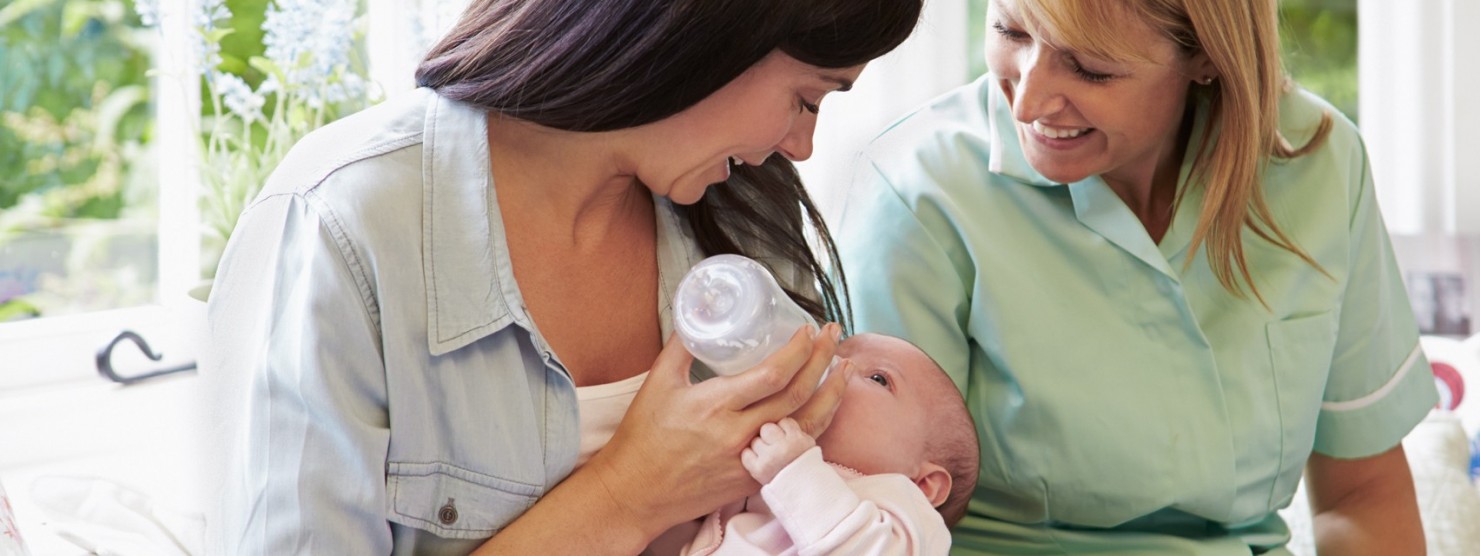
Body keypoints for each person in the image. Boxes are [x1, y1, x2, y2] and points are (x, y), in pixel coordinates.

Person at [202, 0, 923, 553]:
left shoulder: (746, 222)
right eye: (805, 98)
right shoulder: (343, 228)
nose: (799, 146)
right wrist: (628, 494)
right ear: (706, 30)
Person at [834, 0, 1437, 554]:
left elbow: (1362, 493)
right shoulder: (915, 193)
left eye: (1091, 69)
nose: (1028, 102)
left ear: (1205, 55)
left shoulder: (1318, 164)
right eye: (1010, 30)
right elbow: (872, 521)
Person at [671, 333, 979, 555]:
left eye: (878, 378)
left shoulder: (907, 513)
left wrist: (793, 472)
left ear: (925, 484)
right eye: (838, 352)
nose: (834, 365)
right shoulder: (760, 476)